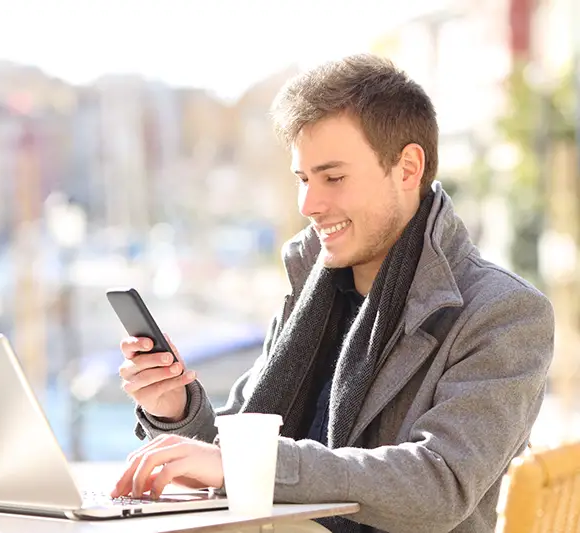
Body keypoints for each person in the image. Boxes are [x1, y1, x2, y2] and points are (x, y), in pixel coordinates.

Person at [111, 54, 555, 533]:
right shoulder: (312, 290)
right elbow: (233, 450)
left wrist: (250, 464)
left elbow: (439, 486)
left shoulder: (504, 312)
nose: (308, 204)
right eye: (303, 179)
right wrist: (175, 407)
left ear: (408, 168)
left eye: (333, 177)